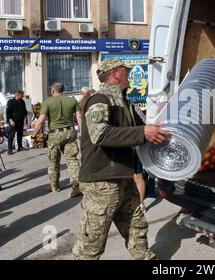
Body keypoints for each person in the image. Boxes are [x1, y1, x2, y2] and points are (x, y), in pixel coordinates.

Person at [72, 58, 171, 260]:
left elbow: (139, 129)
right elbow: (100, 134)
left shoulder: (125, 101)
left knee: (137, 228)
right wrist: (142, 132)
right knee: (92, 244)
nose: (129, 75)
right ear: (115, 73)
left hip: (124, 177)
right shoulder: (99, 100)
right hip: (101, 182)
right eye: (126, 71)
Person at [32, 82, 82, 197]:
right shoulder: (72, 101)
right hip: (70, 132)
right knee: (72, 160)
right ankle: (76, 185)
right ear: (63, 90)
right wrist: (82, 132)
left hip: (55, 134)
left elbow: (40, 121)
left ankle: (54, 186)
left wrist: (34, 135)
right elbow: (79, 118)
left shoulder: (48, 102)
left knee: (54, 161)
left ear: (53, 91)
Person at [6, 89, 28, 155]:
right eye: (22, 95)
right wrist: (10, 120)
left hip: (20, 121)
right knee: (11, 135)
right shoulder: (10, 102)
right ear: (17, 95)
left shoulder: (22, 102)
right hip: (13, 121)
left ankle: (20, 147)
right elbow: (8, 112)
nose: (23, 96)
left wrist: (26, 118)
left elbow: (24, 111)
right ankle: (10, 149)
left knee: (20, 134)